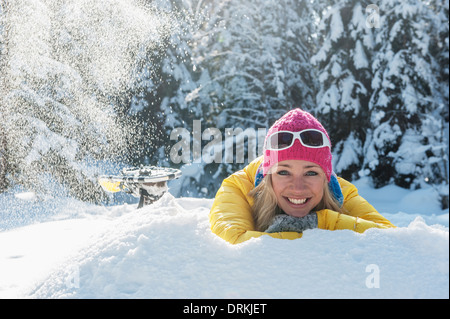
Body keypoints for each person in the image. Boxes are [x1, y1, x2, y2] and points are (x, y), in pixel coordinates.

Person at [209, 108, 395, 244]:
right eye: (283, 172)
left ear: (325, 177)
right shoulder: (239, 187)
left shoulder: (341, 191)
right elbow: (234, 241)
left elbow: (392, 239)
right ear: (268, 176)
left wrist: (320, 221)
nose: (297, 187)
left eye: (311, 173)